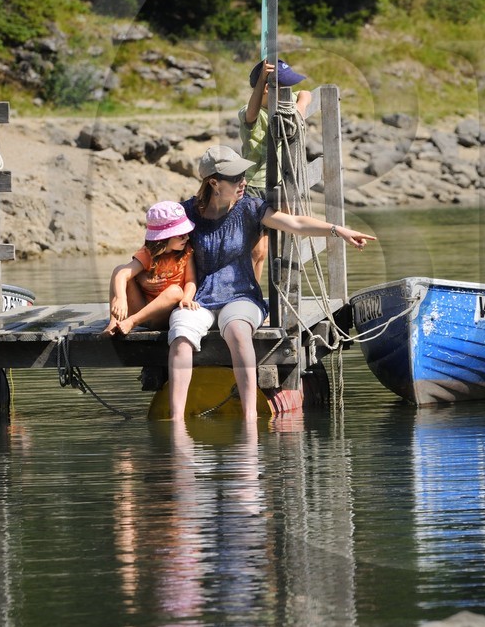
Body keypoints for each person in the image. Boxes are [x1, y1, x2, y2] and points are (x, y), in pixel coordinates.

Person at [164, 144, 374, 422]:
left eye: (244, 175)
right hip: (197, 297)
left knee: (238, 331)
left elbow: (296, 223)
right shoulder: (187, 212)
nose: (244, 182)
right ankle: (176, 419)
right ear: (214, 182)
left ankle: (250, 416)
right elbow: (155, 247)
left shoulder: (249, 208)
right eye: (236, 178)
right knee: (180, 337)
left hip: (241, 297)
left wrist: (338, 230)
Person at [241, 59, 313, 282]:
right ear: (266, 90)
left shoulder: (285, 103)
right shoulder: (249, 113)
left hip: (279, 183)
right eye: (283, 87)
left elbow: (306, 92)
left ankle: (286, 289)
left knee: (289, 234)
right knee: (258, 251)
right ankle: (252, 299)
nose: (288, 92)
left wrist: (300, 107)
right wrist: (263, 77)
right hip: (254, 185)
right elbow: (252, 112)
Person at [105, 201, 199, 336]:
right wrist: (121, 298)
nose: (186, 237)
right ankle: (114, 322)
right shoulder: (147, 253)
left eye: (186, 233)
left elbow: (191, 280)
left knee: (175, 292)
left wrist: (187, 298)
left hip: (164, 315)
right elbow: (122, 275)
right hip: (141, 308)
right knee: (119, 270)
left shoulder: (186, 252)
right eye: (180, 234)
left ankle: (132, 321)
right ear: (164, 237)